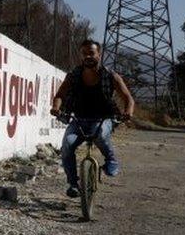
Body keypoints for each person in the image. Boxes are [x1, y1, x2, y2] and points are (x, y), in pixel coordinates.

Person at [50, 39, 135, 198]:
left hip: (104, 119)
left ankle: (111, 160)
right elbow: (60, 95)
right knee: (67, 145)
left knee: (101, 135)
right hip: (79, 119)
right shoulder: (74, 75)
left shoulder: (110, 76)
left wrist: (128, 112)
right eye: (84, 54)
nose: (88, 56)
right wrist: (56, 107)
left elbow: (128, 98)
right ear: (80, 56)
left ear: (99, 55)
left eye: (91, 53)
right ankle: (73, 184)